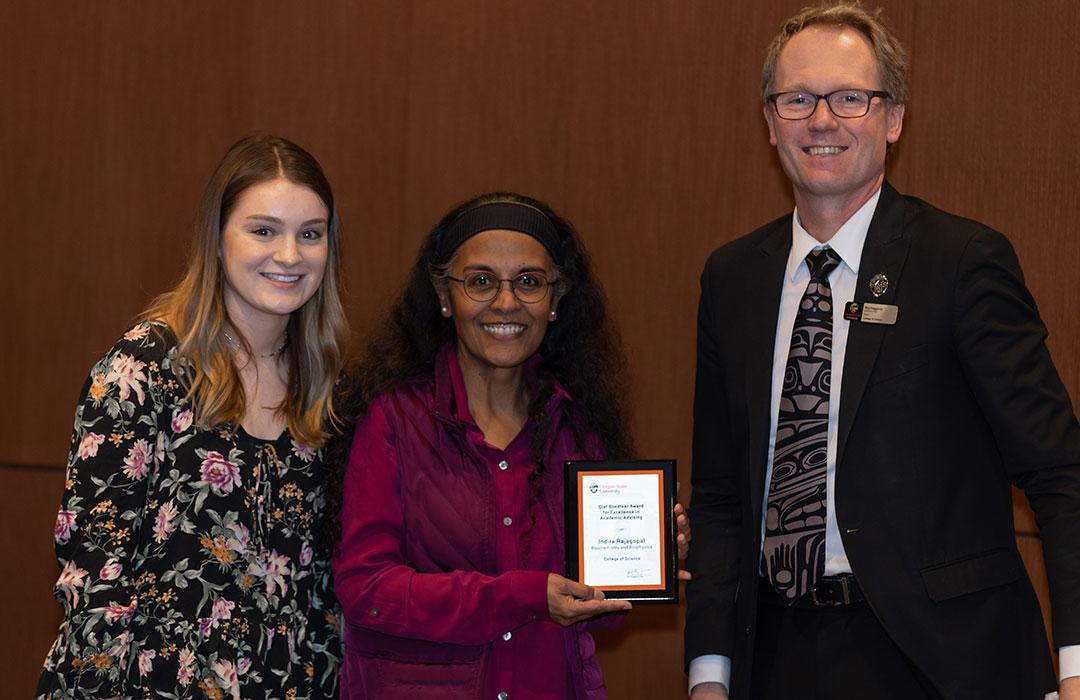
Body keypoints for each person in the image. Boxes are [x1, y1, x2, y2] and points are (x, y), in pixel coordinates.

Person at [684, 4, 1080, 700]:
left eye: (850, 98)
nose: (822, 120)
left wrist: (1078, 666)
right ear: (770, 121)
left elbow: (1060, 475)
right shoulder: (732, 277)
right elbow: (719, 495)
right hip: (774, 657)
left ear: (892, 118)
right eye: (798, 99)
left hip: (943, 663)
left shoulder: (960, 262)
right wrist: (708, 674)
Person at [329, 192, 689, 699]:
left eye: (529, 282)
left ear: (556, 299)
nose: (505, 303)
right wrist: (521, 595)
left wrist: (645, 567)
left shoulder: (576, 423)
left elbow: (592, 612)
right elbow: (365, 590)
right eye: (480, 282)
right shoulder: (393, 420)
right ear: (444, 295)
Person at [38, 135, 347, 699]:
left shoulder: (328, 388)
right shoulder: (145, 369)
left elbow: (321, 589)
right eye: (263, 230)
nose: (289, 255)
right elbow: (93, 577)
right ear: (217, 238)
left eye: (311, 234)